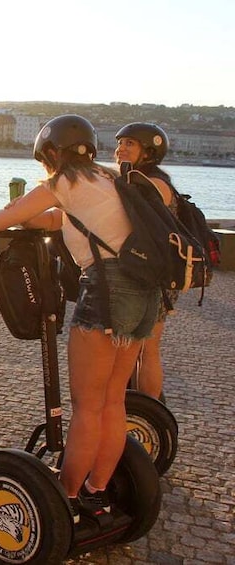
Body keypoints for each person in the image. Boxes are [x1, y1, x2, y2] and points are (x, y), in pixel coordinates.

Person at [0, 114, 160, 523]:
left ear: (50, 153)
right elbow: (63, 222)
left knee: (86, 406)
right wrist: (38, 214)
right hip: (145, 292)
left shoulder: (61, 184)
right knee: (113, 401)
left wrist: (23, 203)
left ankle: (63, 499)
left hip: (106, 291)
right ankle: (96, 491)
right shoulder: (109, 179)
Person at [114, 122, 176, 400]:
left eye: (130, 144)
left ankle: (151, 414)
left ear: (149, 152)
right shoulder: (132, 179)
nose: (121, 149)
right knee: (133, 348)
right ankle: (130, 409)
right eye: (120, 143)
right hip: (140, 271)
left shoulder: (155, 184)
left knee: (148, 348)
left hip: (156, 276)